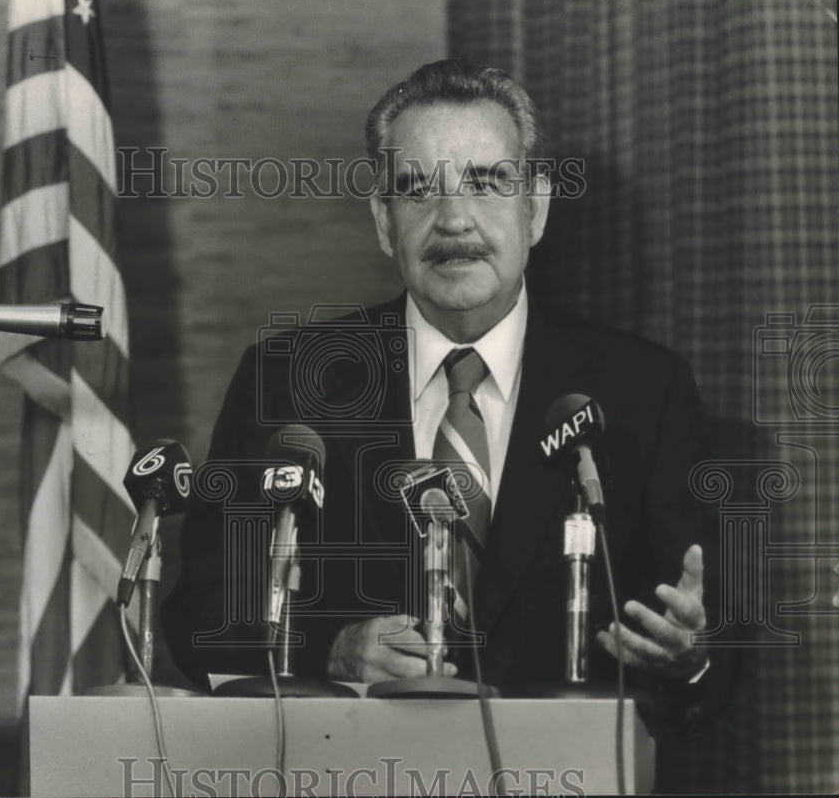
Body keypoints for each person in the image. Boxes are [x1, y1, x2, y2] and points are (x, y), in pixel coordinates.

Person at [162, 59, 724, 723]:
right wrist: (329, 650)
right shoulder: (284, 381)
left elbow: (706, 657)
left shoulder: (643, 392)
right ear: (382, 220)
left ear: (535, 208)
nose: (454, 220)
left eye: (486, 183)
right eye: (419, 190)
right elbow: (199, 612)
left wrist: (692, 655)